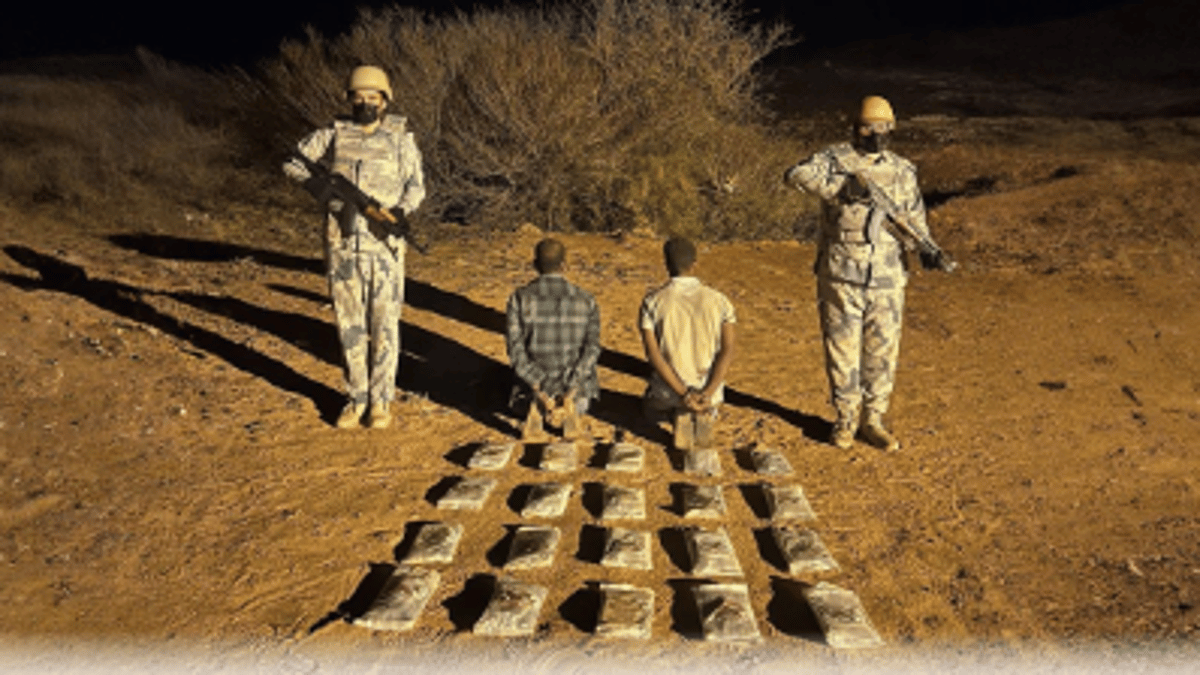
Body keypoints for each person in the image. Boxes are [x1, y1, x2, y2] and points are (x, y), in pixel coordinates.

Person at [784, 95, 937, 452]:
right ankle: (846, 419)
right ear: (856, 127)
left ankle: (874, 420)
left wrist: (927, 248)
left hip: (887, 277)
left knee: (882, 352)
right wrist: (840, 188)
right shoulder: (834, 160)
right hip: (841, 274)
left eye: (883, 127)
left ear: (892, 128)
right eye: (869, 127)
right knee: (842, 351)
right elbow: (794, 175)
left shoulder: (902, 170)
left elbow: (914, 217)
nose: (876, 133)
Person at [283, 65, 426, 429]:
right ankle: (356, 397)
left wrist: (399, 211)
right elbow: (293, 162)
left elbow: (416, 186)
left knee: (385, 325)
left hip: (384, 246)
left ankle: (381, 401)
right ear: (349, 99)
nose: (365, 103)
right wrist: (320, 189)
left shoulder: (401, 138)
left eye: (373, 97)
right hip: (342, 243)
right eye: (358, 97)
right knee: (349, 323)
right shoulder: (333, 133)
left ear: (385, 101)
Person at [639, 237, 736, 451]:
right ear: (695, 264)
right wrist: (707, 393)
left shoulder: (652, 302)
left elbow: (653, 355)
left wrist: (684, 395)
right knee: (708, 403)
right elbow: (727, 350)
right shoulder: (720, 301)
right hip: (709, 394)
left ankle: (677, 413)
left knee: (649, 407)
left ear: (666, 264)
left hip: (669, 393)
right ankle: (703, 411)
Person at [505, 238, 601, 440]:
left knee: (504, 380)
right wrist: (571, 391)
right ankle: (570, 406)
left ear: (535, 265)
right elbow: (592, 349)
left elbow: (515, 351)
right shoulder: (587, 300)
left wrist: (539, 390)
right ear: (564, 266)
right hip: (577, 397)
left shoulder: (519, 298)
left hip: (529, 395)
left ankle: (537, 404)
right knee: (583, 398)